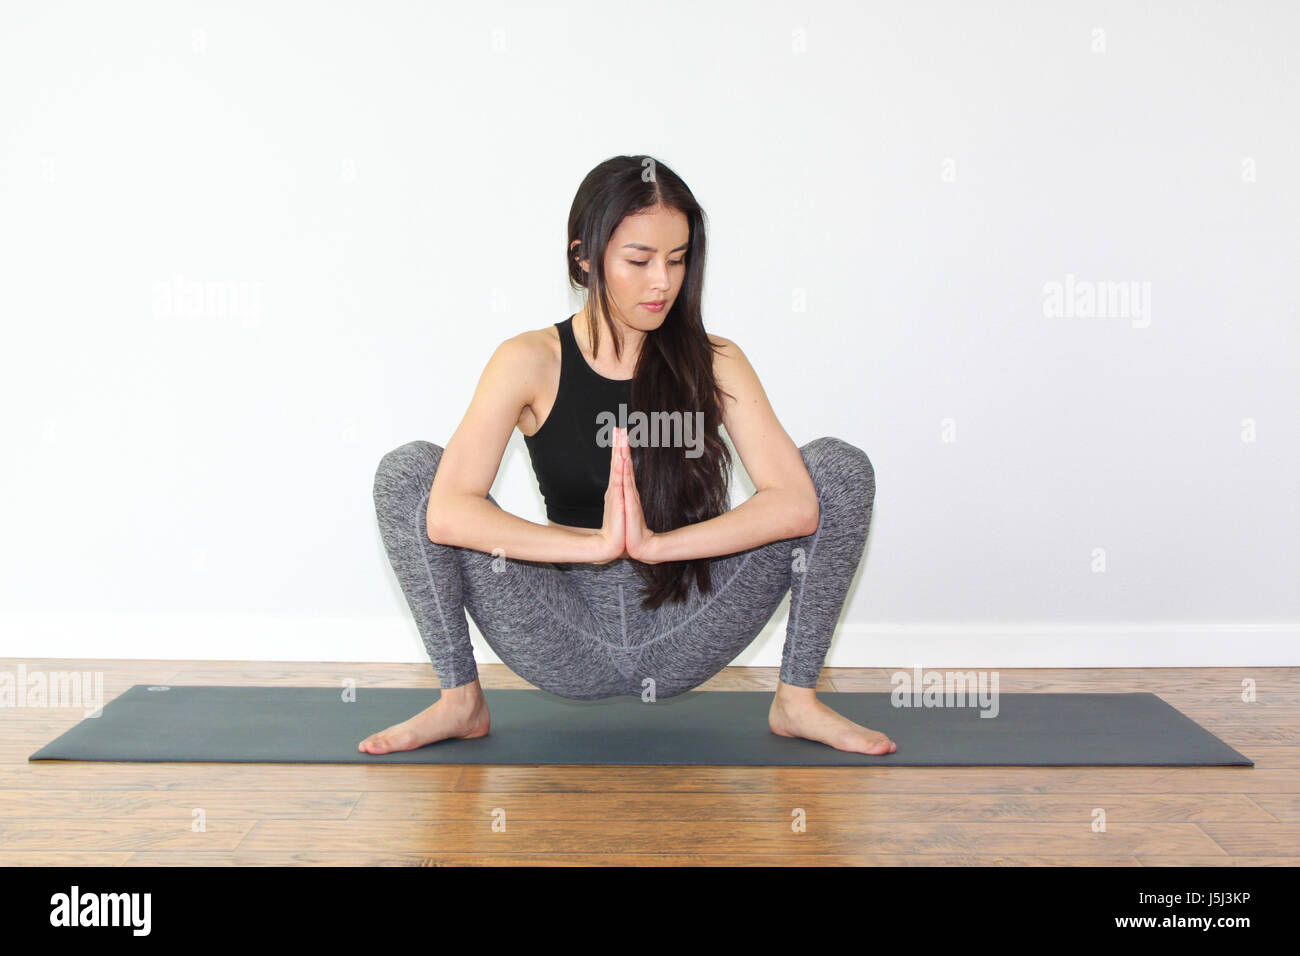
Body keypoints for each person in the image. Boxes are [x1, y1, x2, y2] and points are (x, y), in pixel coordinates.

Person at [366, 155, 893, 756]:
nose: (662, 282)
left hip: (686, 620)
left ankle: (797, 699)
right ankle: (459, 700)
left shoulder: (717, 361)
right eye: (640, 261)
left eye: (678, 259)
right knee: (409, 472)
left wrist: (656, 545)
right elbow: (447, 512)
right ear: (584, 258)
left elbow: (796, 504)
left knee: (838, 469)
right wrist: (594, 547)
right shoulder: (529, 360)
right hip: (562, 627)